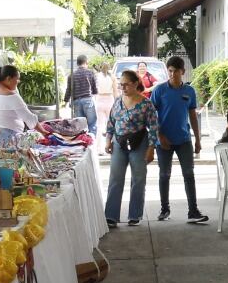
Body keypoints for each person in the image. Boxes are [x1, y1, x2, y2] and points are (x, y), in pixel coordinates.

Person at [149, 56, 207, 224]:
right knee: (164, 174)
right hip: (164, 141)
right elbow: (151, 116)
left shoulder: (189, 91)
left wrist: (198, 139)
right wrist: (159, 136)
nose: (173, 74)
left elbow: (192, 115)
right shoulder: (159, 90)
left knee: (189, 174)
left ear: (183, 72)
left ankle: (193, 211)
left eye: (176, 71)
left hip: (184, 139)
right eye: (170, 71)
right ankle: (164, 209)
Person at [104, 69, 158, 228]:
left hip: (139, 143)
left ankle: (135, 214)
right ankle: (111, 215)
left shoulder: (146, 104)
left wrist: (151, 148)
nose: (123, 88)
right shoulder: (117, 101)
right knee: (115, 178)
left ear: (135, 84)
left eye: (126, 85)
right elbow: (111, 123)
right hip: (119, 143)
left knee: (138, 179)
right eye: (121, 85)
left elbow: (153, 127)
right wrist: (108, 141)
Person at [0, 64, 37, 146]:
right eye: (17, 79)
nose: (18, 82)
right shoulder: (11, 96)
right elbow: (29, 118)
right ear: (8, 79)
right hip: (6, 137)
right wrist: (44, 132)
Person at [64, 55, 97, 136]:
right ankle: (91, 140)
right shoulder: (90, 73)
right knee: (92, 123)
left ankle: (82, 141)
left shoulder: (72, 75)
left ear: (77, 63)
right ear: (86, 62)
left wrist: (65, 102)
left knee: (79, 126)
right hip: (88, 100)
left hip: (76, 101)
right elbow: (94, 88)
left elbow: (69, 90)